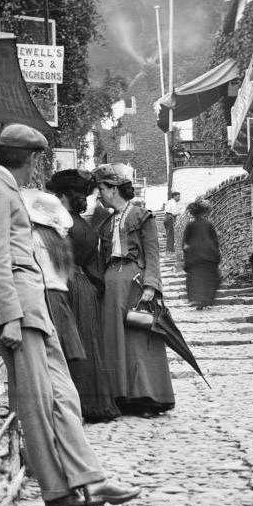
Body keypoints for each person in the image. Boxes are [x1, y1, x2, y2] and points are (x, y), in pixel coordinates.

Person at [0, 125, 139, 506]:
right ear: (31, 159)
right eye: (36, 160)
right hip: (19, 308)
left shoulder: (1, 191)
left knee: (62, 394)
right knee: (38, 402)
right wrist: (8, 317)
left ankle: (89, 480)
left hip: (33, 306)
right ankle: (57, 489)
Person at [94, 163, 175, 416]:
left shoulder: (142, 216)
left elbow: (152, 252)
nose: (100, 195)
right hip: (110, 283)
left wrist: (151, 285)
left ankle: (147, 397)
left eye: (103, 189)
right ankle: (122, 396)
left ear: (115, 189)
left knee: (139, 338)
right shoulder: (105, 222)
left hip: (134, 281)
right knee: (114, 339)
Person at [46, 168, 120, 422]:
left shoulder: (60, 223)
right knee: (88, 345)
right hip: (86, 287)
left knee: (70, 344)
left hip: (68, 285)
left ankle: (74, 404)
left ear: (63, 196)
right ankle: (94, 402)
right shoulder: (84, 226)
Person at [19, 188, 86, 367]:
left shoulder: (34, 239)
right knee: (60, 358)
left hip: (45, 298)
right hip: (61, 299)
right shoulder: (59, 240)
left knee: (46, 358)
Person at [182, 199, 221, 310]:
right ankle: (206, 299)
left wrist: (187, 253)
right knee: (209, 277)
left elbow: (185, 242)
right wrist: (216, 253)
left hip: (195, 256)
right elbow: (214, 240)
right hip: (209, 254)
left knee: (196, 278)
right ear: (203, 212)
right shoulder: (208, 224)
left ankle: (198, 299)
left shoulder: (190, 225)